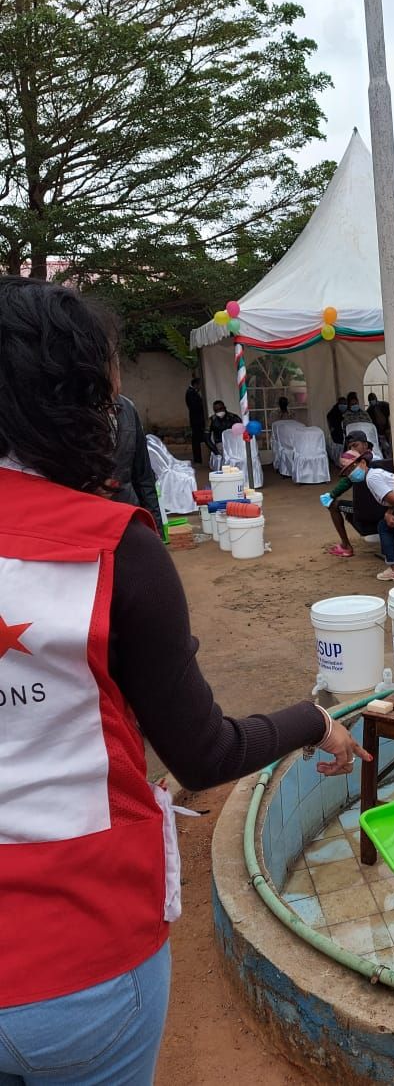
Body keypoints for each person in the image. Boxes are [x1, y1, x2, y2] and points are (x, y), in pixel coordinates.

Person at [0, 276, 371, 1084]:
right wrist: (312, 720)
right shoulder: (113, 549)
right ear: (75, 398)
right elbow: (201, 755)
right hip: (81, 955)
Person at [339, 450, 394, 582]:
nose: (350, 473)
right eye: (347, 472)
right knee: (385, 524)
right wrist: (389, 512)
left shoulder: (372, 478)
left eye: (352, 468)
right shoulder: (373, 475)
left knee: (383, 527)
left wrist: (390, 514)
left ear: (363, 462)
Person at [111, 393, 162, 532]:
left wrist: (155, 528)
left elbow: (143, 476)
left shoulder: (127, 408)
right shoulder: (68, 407)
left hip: (127, 511)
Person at [319, 433, 372, 557]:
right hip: (380, 505)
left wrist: (332, 495)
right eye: (350, 447)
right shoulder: (377, 456)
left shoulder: (363, 462)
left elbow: (347, 481)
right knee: (348, 511)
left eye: (355, 445)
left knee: (333, 505)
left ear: (365, 444)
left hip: (369, 507)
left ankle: (346, 546)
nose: (353, 450)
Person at [185, 375, 206, 464]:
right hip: (196, 419)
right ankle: (198, 457)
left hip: (197, 419)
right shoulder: (190, 393)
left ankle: (199, 456)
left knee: (198, 438)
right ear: (196, 384)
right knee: (197, 438)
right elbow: (195, 406)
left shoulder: (193, 392)